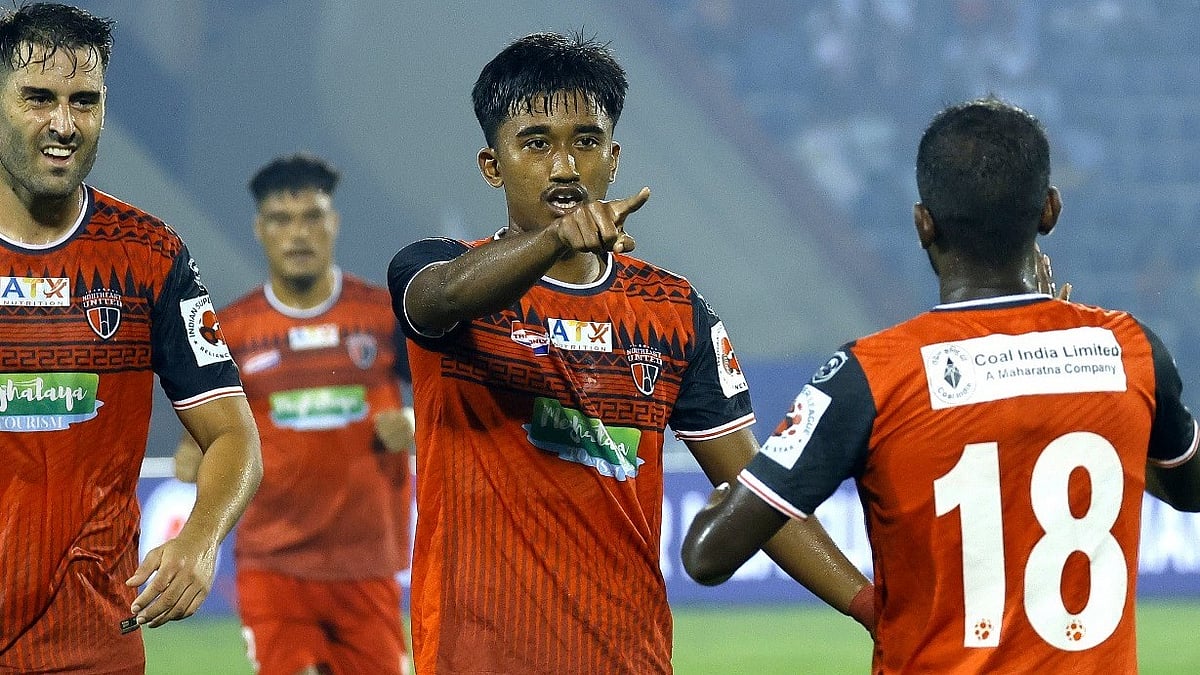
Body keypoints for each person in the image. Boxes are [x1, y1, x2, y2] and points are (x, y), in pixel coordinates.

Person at [386, 31, 872, 674]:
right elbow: (439, 298)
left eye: (586, 141)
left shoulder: (675, 311)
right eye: (536, 143)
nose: (565, 167)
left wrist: (874, 608)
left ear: (613, 159)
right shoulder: (437, 271)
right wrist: (555, 241)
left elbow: (756, 493)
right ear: (492, 165)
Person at [681, 97, 1200, 673]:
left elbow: (707, 555)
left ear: (922, 222)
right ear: (1050, 210)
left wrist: (724, 503)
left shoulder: (871, 375)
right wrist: (1079, 387)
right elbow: (1191, 488)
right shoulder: (1130, 351)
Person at [0, 4, 262, 673]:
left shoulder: (149, 256)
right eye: (39, 98)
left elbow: (234, 437)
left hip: (90, 646)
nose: (64, 124)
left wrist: (200, 541)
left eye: (84, 101)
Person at [173, 153, 415, 675]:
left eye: (312, 217)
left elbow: (444, 401)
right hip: (273, 565)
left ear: (334, 223)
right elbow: (201, 440)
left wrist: (414, 424)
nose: (298, 234)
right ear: (260, 230)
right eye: (281, 220)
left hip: (366, 564)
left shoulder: (383, 316)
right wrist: (199, 452)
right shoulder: (230, 330)